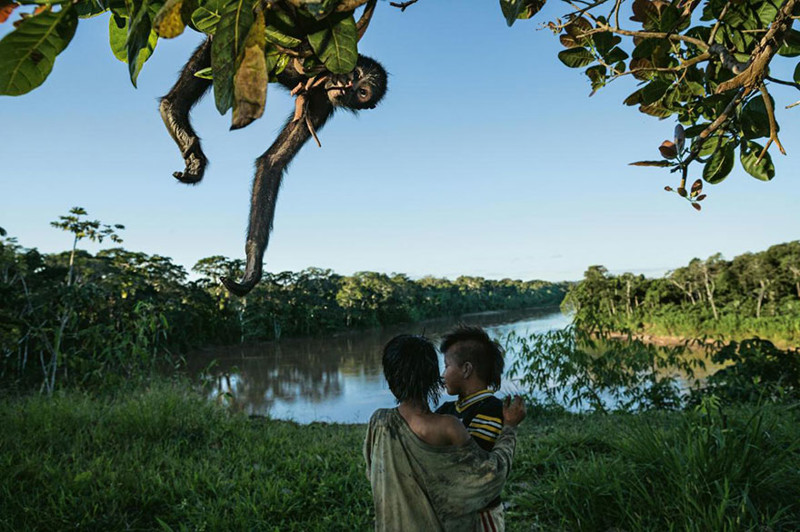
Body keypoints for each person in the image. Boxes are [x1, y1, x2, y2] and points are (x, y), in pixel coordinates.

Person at [364, 334, 526, 531]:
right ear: (432, 377)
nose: (443, 374)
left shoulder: (379, 422)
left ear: (390, 381)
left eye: (447, 366)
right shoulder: (449, 425)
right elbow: (489, 476)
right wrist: (510, 428)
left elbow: (372, 472)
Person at [436, 326, 507, 531]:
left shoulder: (491, 407)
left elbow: (473, 460)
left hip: (480, 514)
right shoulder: (448, 408)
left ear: (466, 369)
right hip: (453, 510)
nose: (442, 375)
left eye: (447, 366)